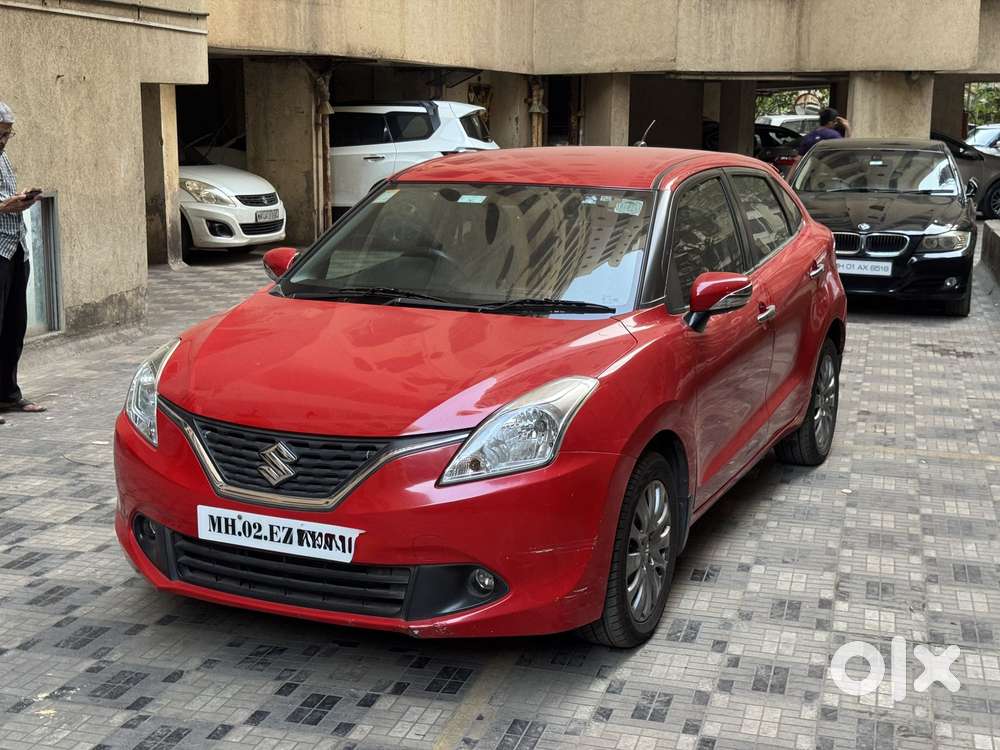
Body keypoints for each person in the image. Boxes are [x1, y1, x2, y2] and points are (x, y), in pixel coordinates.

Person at [0, 101, 46, 425]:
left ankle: (7, 395)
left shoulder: (2, 157)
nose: (4, 141)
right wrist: (6, 205)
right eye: (0, 135)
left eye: (7, 135)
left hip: (16, 249)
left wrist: (22, 197)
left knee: (14, 326)